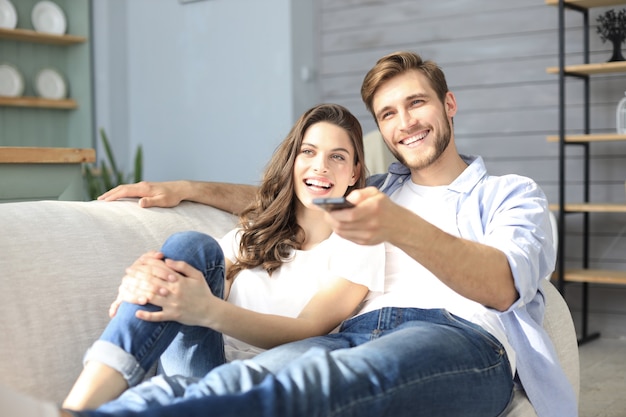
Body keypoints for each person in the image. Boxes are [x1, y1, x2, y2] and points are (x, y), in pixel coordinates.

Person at [6, 50, 577, 417]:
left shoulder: (511, 194)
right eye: (387, 114)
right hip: (352, 329)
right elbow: (291, 197)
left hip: (459, 340)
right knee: (250, 382)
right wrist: (186, 188)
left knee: (326, 381)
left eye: (417, 103)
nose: (405, 124)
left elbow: (504, 285)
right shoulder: (377, 187)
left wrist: (399, 226)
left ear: (448, 105)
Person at [62, 103, 385, 411]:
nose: (321, 166)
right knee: (191, 246)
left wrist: (206, 310)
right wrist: (143, 278)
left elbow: (308, 328)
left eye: (338, 157)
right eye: (308, 151)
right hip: (195, 365)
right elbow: (183, 270)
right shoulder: (255, 233)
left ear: (355, 172)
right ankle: (78, 406)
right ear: (293, 161)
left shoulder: (359, 243)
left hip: (257, 388)